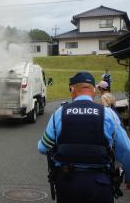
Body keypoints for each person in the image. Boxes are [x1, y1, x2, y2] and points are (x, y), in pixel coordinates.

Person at [38, 71, 130, 203]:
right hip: (100, 184)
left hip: (67, 183)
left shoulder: (59, 113)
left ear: (72, 89)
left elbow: (43, 147)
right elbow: (126, 150)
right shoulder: (109, 114)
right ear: (94, 90)